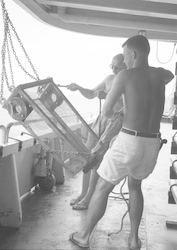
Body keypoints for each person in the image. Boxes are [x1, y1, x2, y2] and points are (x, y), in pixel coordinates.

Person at [69, 35, 174, 249]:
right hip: (152, 144)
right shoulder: (160, 75)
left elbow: (107, 111)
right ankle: (134, 240)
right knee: (135, 187)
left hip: (130, 141)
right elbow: (169, 75)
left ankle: (84, 236)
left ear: (133, 54)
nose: (124, 61)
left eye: (125, 55)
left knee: (101, 187)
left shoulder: (124, 75)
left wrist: (123, 109)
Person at [67, 54, 127, 210]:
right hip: (101, 120)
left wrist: (106, 95)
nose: (114, 70)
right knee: (88, 157)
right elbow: (91, 93)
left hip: (115, 121)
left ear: (126, 65)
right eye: (111, 66)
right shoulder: (108, 79)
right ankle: (83, 193)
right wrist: (79, 88)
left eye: (117, 67)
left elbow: (125, 103)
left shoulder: (129, 80)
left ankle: (89, 198)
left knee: (96, 159)